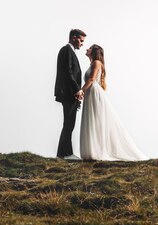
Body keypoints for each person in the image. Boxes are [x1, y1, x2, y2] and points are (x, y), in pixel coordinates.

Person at [79, 44, 147, 161]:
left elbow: (91, 79)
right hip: (91, 93)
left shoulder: (96, 63)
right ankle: (93, 150)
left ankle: (97, 151)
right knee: (92, 119)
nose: (86, 49)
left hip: (93, 93)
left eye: (89, 48)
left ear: (94, 51)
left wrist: (81, 90)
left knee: (95, 120)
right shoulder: (93, 63)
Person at [54, 29, 86, 159]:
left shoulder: (69, 51)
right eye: (81, 40)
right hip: (68, 93)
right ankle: (66, 154)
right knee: (69, 124)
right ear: (74, 38)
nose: (82, 44)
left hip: (69, 93)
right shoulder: (67, 50)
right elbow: (68, 72)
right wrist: (77, 89)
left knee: (69, 124)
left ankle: (63, 153)